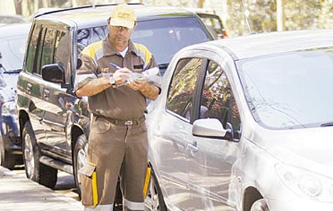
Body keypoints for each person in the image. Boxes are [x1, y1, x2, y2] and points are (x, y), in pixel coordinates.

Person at [74, 3, 161, 211]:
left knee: (137, 196)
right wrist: (110, 80)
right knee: (100, 196)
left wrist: (142, 86)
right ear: (109, 24)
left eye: (126, 27)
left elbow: (156, 92)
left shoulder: (143, 54)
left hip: (137, 130)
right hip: (106, 131)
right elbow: (81, 89)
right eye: (117, 26)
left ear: (134, 27)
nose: (121, 32)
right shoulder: (92, 53)